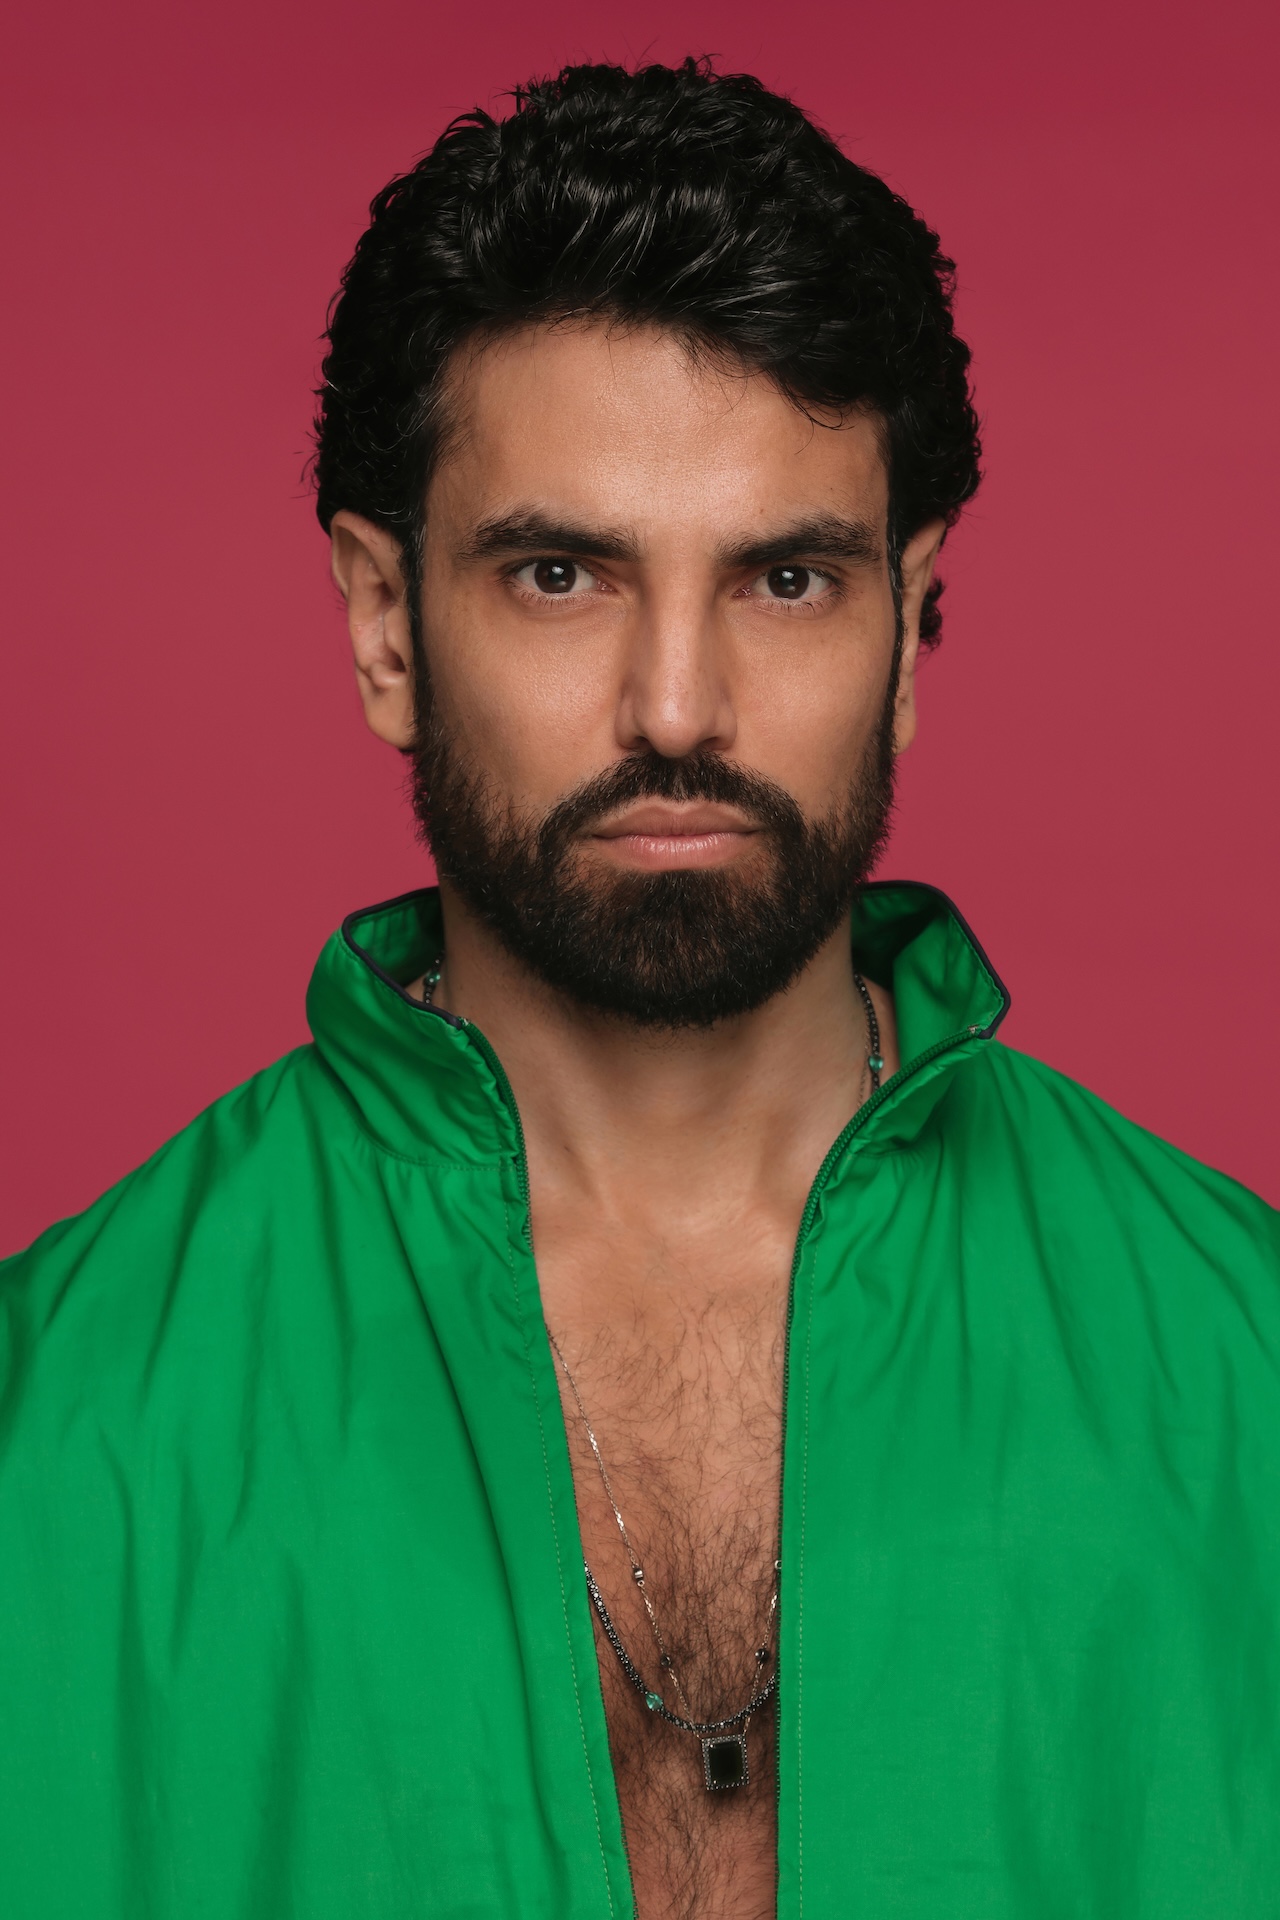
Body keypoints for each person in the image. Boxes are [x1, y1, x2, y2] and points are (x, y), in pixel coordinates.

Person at [1, 55, 1277, 1920]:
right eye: (559, 574)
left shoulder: (1246, 1379)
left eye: (785, 580)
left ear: (911, 630)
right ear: (385, 625)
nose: (677, 708)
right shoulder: (56, 1423)